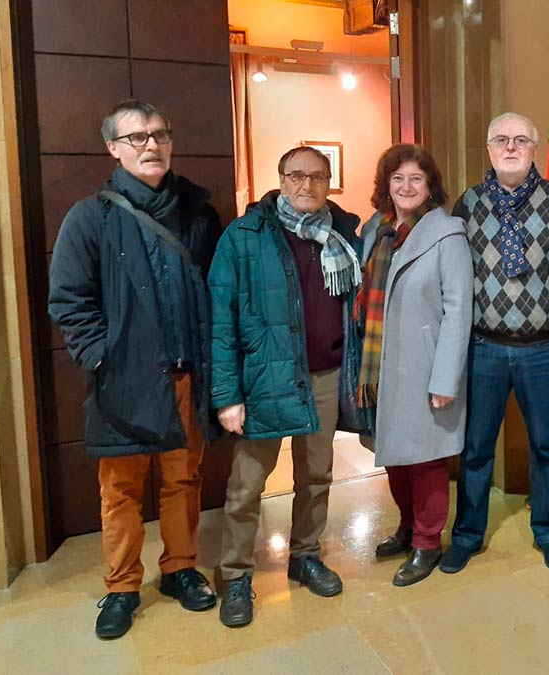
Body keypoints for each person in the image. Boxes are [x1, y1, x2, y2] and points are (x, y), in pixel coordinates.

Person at [48, 99, 220, 639]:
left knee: (182, 478)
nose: (151, 145)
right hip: (122, 378)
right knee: (119, 488)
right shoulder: (90, 216)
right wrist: (102, 357)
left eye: (160, 134)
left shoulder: (197, 212)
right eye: (137, 137)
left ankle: (180, 569)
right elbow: (68, 300)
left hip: (184, 374)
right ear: (113, 149)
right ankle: (122, 586)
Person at [209, 146, 362, 628]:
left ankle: (305, 555)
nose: (306, 185)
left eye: (317, 177)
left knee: (316, 476)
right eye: (296, 175)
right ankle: (235, 575)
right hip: (263, 380)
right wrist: (227, 394)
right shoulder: (244, 235)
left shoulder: (344, 236)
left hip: (325, 375)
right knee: (246, 486)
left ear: (329, 182)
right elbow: (221, 320)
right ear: (279, 179)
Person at [440, 112, 549, 575]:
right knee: (476, 448)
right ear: (489, 149)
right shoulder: (469, 203)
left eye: (521, 140)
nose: (511, 147)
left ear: (535, 149)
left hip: (544, 347)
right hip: (485, 348)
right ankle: (467, 535)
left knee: (547, 445)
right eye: (501, 140)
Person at [360, 144, 473, 587]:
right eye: (397, 179)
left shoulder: (447, 234)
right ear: (386, 187)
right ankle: (406, 527)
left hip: (425, 367)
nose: (406, 188)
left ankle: (428, 542)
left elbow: (458, 310)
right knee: (395, 458)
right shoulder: (379, 232)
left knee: (425, 460)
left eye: (415, 180)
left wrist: (445, 378)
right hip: (384, 366)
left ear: (430, 187)